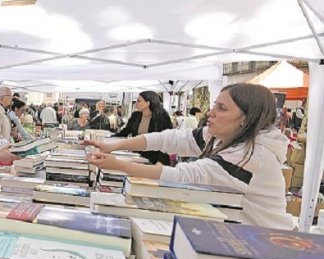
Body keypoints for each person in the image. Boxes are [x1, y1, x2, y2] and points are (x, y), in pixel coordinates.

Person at [85, 83, 293, 230]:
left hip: (264, 239)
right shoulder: (222, 136)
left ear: (246, 118)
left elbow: (185, 176)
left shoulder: (253, 155)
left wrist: (119, 165)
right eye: (214, 105)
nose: (210, 113)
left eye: (221, 108)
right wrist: (113, 146)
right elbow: (170, 139)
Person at [112, 91, 174, 165]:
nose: (136, 103)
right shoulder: (136, 115)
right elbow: (125, 132)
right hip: (138, 157)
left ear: (148, 103)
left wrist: (160, 162)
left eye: (139, 101)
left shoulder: (162, 118)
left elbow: (167, 141)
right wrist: (110, 138)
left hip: (156, 159)